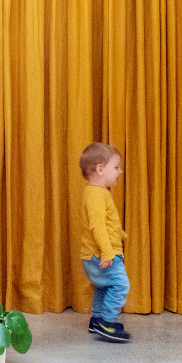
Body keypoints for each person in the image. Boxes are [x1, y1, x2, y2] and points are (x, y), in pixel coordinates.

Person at [78, 142, 132, 343]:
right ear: (100, 170)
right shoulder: (96, 195)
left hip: (96, 253)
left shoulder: (97, 193)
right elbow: (98, 227)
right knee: (120, 285)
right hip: (101, 255)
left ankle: (97, 319)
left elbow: (106, 224)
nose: (120, 172)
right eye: (116, 167)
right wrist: (108, 252)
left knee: (103, 287)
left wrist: (120, 235)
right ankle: (107, 322)